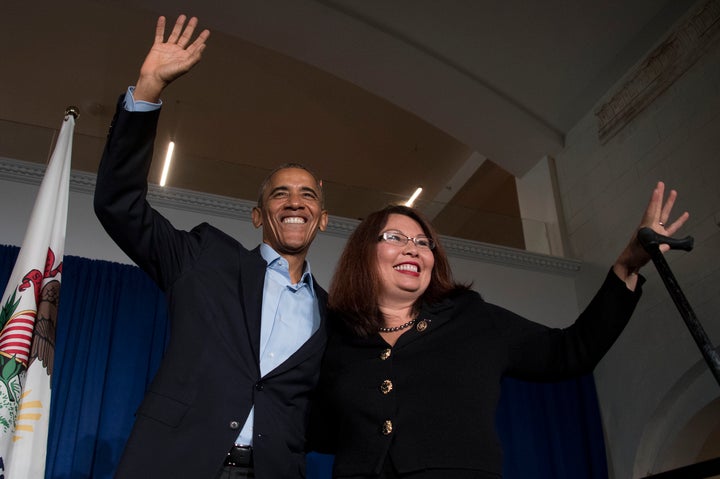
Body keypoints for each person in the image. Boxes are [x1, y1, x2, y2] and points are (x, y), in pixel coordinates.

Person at [309, 183, 688, 478]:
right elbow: (320, 428)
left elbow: (571, 350)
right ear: (363, 252)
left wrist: (626, 266)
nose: (413, 249)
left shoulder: (472, 320)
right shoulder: (336, 337)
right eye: (395, 238)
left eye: (423, 243)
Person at [94, 15, 329, 478]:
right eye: (279, 193)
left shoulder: (332, 317)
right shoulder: (203, 258)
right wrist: (147, 90)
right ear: (259, 216)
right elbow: (118, 205)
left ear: (322, 219)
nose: (295, 201)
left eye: (308, 195)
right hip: (175, 464)